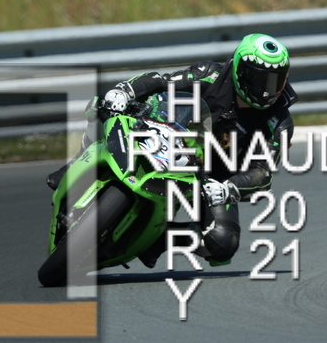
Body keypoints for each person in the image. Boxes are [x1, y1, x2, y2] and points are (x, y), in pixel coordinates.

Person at [46, 33, 298, 268]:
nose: (267, 89)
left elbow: (262, 174)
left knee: (223, 242)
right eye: (260, 79)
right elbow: (161, 82)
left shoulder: (279, 123)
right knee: (105, 106)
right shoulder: (210, 75)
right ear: (240, 71)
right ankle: (76, 164)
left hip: (212, 180)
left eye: (276, 80)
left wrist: (228, 188)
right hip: (171, 138)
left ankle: (156, 240)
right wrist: (125, 91)